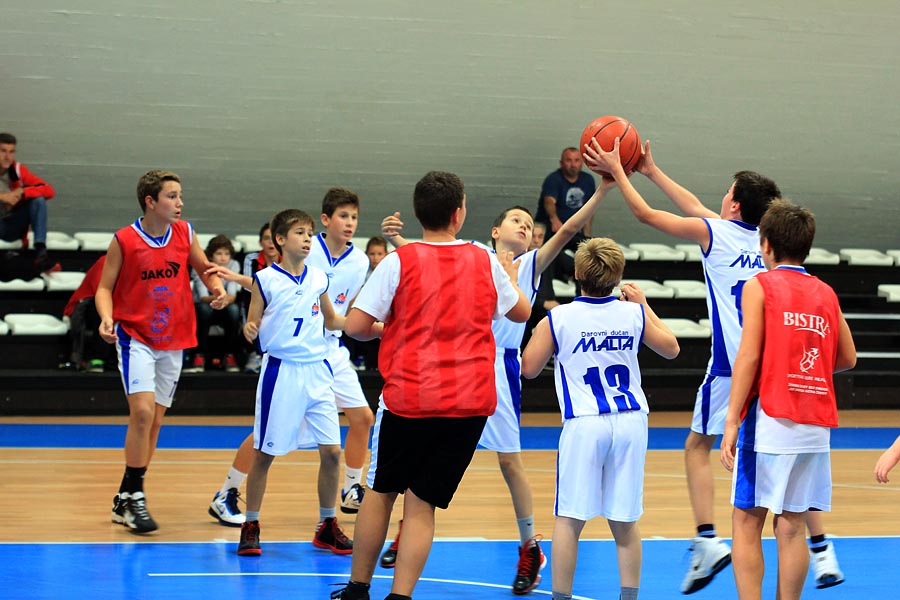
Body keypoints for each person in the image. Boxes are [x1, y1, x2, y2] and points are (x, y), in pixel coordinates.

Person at [586, 138, 848, 593]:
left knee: (707, 461)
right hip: (793, 383)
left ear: (736, 204)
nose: (720, 198)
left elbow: (649, 215)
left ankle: (707, 539)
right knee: (790, 502)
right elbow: (692, 205)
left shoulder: (716, 234)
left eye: (727, 193)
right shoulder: (767, 247)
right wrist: (650, 169)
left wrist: (621, 172)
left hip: (737, 372)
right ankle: (821, 545)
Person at [377, 180, 614, 594]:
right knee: (424, 456)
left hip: (499, 366)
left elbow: (566, 231)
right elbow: (432, 253)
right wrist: (398, 240)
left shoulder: (530, 264)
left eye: (528, 223)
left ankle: (529, 545)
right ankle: (407, 530)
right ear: (493, 230)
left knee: (509, 462)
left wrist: (599, 194)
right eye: (516, 220)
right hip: (457, 360)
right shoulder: (475, 257)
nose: (525, 226)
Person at [331, 171, 531, 600]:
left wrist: (392, 327)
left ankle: (358, 589)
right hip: (469, 403)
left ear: (420, 214)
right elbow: (520, 313)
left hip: (411, 398)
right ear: (459, 214)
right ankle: (400, 597)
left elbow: (357, 327)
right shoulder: (483, 260)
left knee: (382, 492)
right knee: (422, 505)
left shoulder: (399, 262)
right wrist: (509, 278)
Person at [521, 237, 680, 600]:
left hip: (585, 422)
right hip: (630, 421)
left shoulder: (558, 318)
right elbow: (672, 349)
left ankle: (561, 597)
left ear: (577, 274)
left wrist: (538, 335)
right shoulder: (634, 313)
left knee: (569, 520)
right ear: (618, 275)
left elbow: (528, 369)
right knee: (625, 522)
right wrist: (645, 306)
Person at [720, 200, 857, 600]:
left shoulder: (759, 286)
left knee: (747, 519)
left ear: (765, 245)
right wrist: (805, 372)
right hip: (814, 422)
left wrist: (730, 421)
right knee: (793, 525)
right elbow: (847, 357)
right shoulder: (825, 292)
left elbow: (748, 355)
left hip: (771, 419)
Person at [95, 169, 226, 533]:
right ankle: (135, 497)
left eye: (180, 196)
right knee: (140, 413)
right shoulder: (124, 240)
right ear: (150, 201)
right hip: (135, 335)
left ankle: (126, 493)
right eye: (171, 196)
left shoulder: (185, 233)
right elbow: (104, 288)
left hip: (175, 337)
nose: (179, 202)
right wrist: (106, 317)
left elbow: (205, 268)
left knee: (153, 421)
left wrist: (216, 288)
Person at [236, 208, 354, 557]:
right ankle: (251, 523)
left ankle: (327, 525)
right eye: (300, 233)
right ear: (280, 240)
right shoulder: (266, 279)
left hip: (317, 370)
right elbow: (252, 321)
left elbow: (331, 320)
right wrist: (249, 329)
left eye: (309, 233)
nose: (307, 239)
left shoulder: (318, 277)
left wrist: (374, 325)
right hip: (282, 371)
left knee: (333, 452)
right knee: (265, 453)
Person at [304, 187, 375, 515]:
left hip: (332, 349)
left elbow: (350, 314)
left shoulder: (360, 261)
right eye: (343, 216)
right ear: (325, 219)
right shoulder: (306, 248)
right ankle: (229, 488)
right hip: (300, 351)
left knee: (362, 418)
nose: (350, 223)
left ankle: (351, 488)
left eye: (354, 217)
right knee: (271, 435)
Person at [535, 147, 597, 285]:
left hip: (573, 231)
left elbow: (589, 209)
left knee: (592, 252)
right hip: (552, 230)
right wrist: (555, 220)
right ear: (561, 163)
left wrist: (586, 234)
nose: (573, 164)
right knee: (552, 254)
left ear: (582, 163)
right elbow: (549, 202)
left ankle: (584, 287)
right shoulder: (554, 179)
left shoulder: (588, 180)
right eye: (568, 160)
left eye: (576, 160)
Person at [185, 235, 242, 373]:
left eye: (227, 254)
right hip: (204, 307)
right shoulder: (202, 266)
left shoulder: (233, 265)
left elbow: (232, 294)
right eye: (219, 254)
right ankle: (199, 355)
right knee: (205, 310)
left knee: (234, 310)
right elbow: (203, 297)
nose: (223, 258)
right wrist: (221, 298)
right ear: (210, 256)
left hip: (223, 305)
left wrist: (224, 300)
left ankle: (230, 355)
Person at [0, 132, 56, 272]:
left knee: (38, 200)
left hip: (11, 225)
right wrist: (2, 196)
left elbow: (49, 190)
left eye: (12, 152)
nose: (8, 157)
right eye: (3, 151)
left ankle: (41, 253)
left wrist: (23, 192)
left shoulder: (18, 170)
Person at [60, 255, 113, 372]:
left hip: (116, 305)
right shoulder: (107, 262)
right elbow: (101, 293)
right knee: (101, 309)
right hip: (86, 307)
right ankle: (96, 359)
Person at [241, 223, 280, 374]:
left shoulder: (287, 259)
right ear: (260, 242)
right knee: (246, 301)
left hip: (278, 302)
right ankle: (254, 354)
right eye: (266, 238)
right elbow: (248, 285)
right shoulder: (251, 258)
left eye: (273, 239)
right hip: (255, 301)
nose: (270, 243)